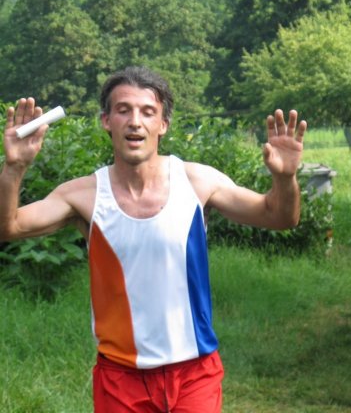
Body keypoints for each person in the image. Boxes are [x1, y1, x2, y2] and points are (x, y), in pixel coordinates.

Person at [0, 66, 307, 413]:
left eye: (148, 112)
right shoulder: (83, 195)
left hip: (194, 374)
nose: (135, 122)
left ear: (163, 124)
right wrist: (14, 168)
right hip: (120, 379)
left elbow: (280, 216)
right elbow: (9, 226)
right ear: (106, 121)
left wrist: (285, 179)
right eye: (123, 110)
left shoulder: (197, 181)